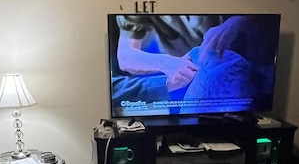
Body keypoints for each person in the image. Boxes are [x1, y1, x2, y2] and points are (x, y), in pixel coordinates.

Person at [111, 14, 275, 112]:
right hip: (185, 79)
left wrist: (240, 21)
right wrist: (164, 63)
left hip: (240, 75)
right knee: (182, 124)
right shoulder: (143, 3)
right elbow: (125, 57)